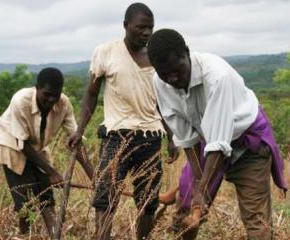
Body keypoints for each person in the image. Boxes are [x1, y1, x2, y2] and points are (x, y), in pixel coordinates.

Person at [147, 29, 287, 240]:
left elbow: (219, 143)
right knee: (186, 208)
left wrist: (202, 191)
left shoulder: (216, 75)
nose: (172, 79)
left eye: (177, 70)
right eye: (164, 74)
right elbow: (188, 139)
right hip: (208, 143)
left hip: (248, 144)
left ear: (186, 53)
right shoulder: (160, 83)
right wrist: (197, 183)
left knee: (256, 220)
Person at [68, 3, 178, 240]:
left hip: (150, 137)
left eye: (150, 28)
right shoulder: (106, 52)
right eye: (141, 27)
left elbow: (162, 103)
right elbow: (91, 93)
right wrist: (80, 129)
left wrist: (171, 136)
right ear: (126, 26)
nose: (146, 33)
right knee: (105, 198)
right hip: (115, 137)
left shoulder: (155, 58)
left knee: (147, 202)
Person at [0, 67, 93, 239]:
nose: (51, 99)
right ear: (36, 88)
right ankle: (24, 235)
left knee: (46, 196)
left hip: (37, 146)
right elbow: (22, 144)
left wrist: (94, 177)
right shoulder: (21, 101)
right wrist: (52, 172)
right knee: (24, 201)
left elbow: (76, 140)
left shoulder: (63, 103)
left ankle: (55, 235)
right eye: (47, 94)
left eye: (56, 94)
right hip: (11, 142)